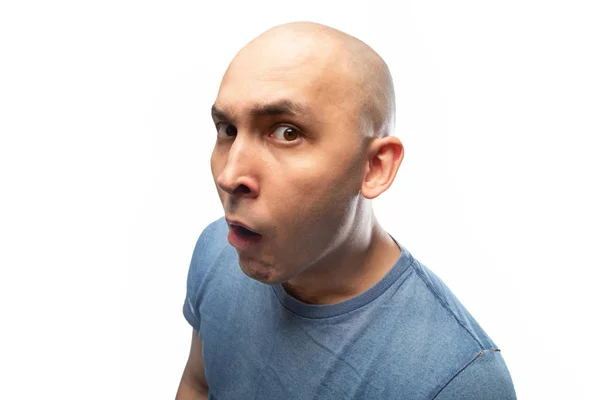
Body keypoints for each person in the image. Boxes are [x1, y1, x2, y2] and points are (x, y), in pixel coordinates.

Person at [176, 21, 516, 400]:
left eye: (287, 132)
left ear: (374, 167)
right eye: (227, 130)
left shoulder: (457, 380)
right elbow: (198, 384)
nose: (229, 174)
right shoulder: (217, 249)